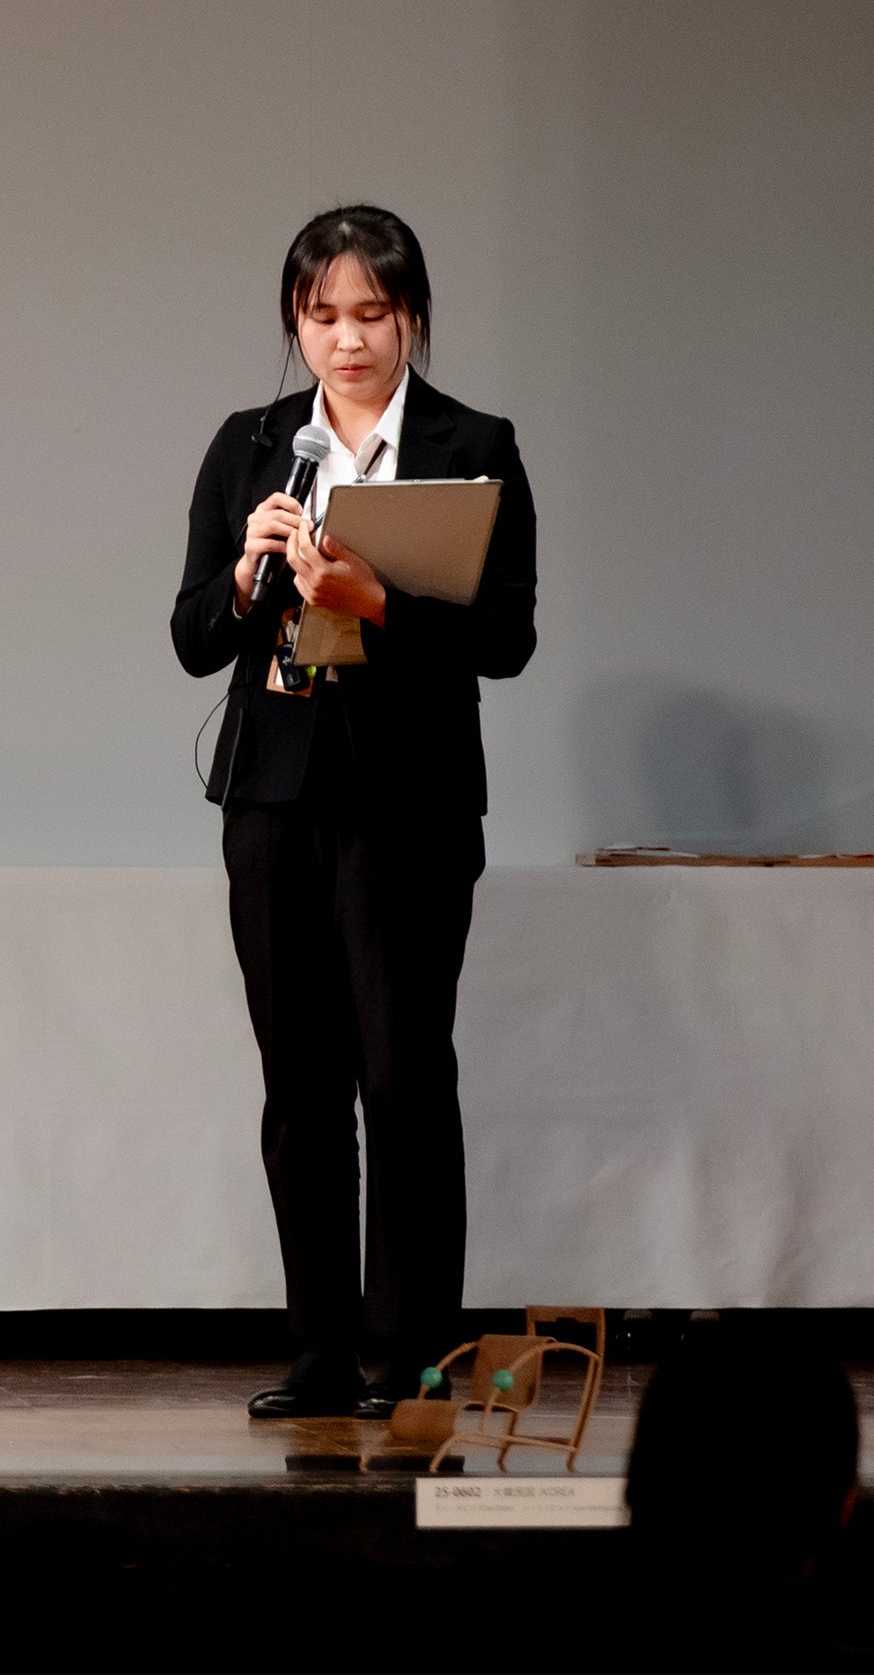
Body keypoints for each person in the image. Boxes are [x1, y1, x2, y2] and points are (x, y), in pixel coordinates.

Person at [170, 205, 537, 1421]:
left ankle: (410, 1351)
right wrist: (244, 573)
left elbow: (506, 638)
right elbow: (191, 636)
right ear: (296, 320)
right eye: (323, 314)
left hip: (407, 801)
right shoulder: (251, 445)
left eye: (372, 313)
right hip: (273, 795)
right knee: (300, 1083)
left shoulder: (471, 444)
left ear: (412, 316)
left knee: (403, 1074)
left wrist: (376, 600)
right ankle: (320, 1348)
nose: (349, 338)